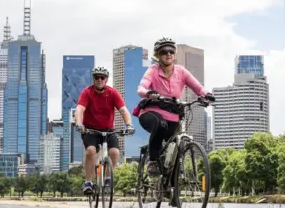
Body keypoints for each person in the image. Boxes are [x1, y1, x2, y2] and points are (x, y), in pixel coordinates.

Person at [135, 37, 214, 176]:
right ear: (158, 55)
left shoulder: (181, 71)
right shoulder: (153, 71)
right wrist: (149, 93)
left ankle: (172, 183)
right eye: (164, 51)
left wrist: (206, 94)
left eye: (171, 51)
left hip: (173, 114)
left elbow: (197, 87)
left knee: (177, 140)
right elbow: (141, 88)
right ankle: (152, 161)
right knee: (160, 124)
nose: (168, 54)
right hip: (151, 112)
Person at [75, 66, 135, 195]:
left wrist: (129, 124)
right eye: (97, 77)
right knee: (91, 151)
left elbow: (123, 110)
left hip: (108, 129)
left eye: (102, 77)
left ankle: (108, 179)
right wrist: (79, 124)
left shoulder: (112, 93)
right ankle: (88, 182)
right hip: (90, 129)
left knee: (114, 153)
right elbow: (80, 109)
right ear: (93, 79)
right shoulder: (87, 92)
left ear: (106, 79)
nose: (99, 80)